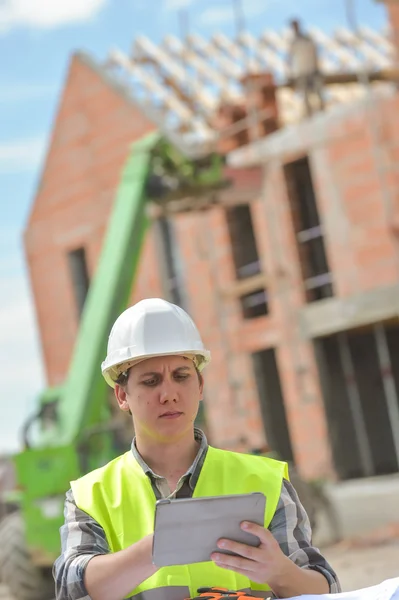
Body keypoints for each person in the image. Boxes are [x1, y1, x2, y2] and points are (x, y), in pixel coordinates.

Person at [53, 298, 340, 600]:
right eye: (151, 381)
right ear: (123, 395)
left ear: (200, 386)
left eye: (181, 376)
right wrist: (159, 547)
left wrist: (279, 572)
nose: (169, 394)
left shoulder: (265, 481)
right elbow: (73, 590)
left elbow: (328, 590)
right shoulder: (91, 495)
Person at [288, 19, 325, 117]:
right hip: (302, 71)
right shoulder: (293, 42)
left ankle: (322, 110)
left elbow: (314, 50)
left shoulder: (307, 38)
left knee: (318, 92)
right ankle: (309, 115)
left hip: (312, 69)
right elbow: (290, 57)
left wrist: (316, 66)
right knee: (305, 95)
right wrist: (290, 72)